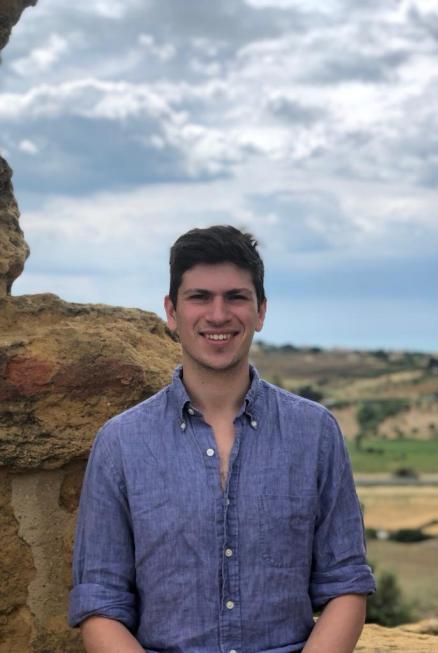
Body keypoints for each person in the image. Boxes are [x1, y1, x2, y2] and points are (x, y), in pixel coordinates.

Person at [68, 225, 376, 653]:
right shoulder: (121, 443)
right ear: (172, 312)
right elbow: (100, 603)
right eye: (199, 297)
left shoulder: (315, 432)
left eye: (235, 297)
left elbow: (346, 584)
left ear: (261, 311)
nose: (218, 315)